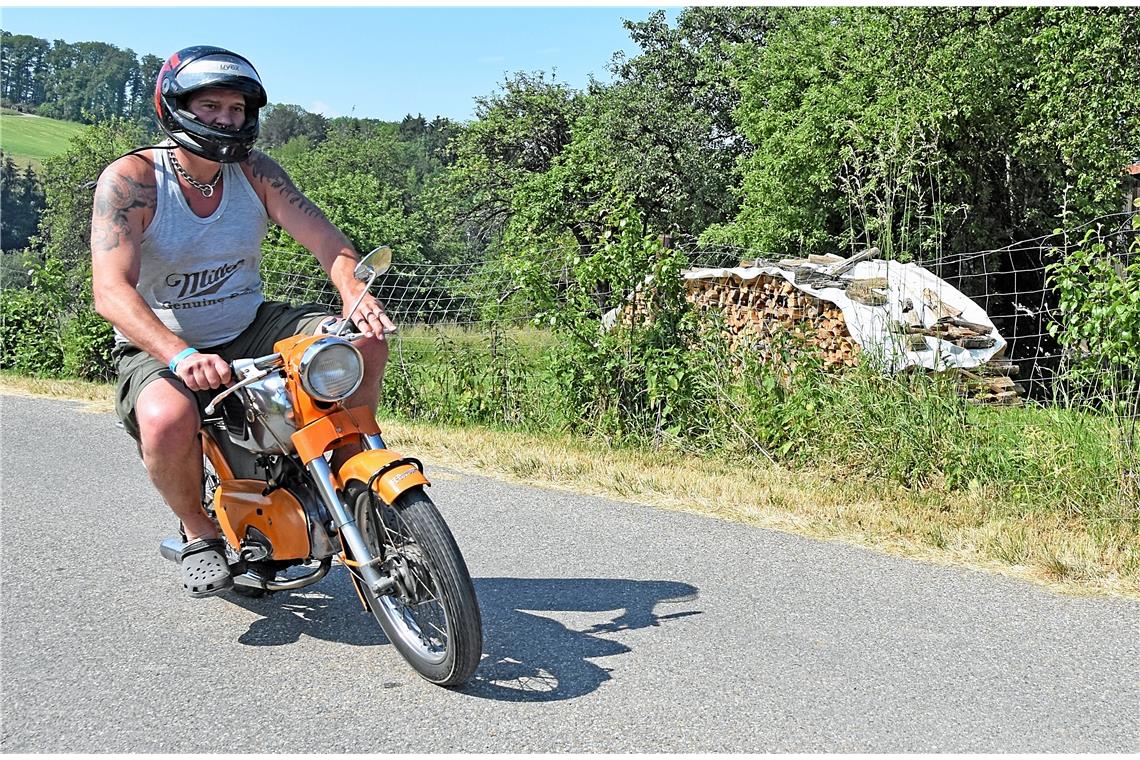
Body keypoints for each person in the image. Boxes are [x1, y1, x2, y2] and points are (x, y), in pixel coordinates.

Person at [90, 45, 396, 597]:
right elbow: (110, 291)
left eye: (235, 109)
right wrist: (179, 355)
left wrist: (353, 292)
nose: (225, 120)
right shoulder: (134, 179)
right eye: (211, 106)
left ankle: (353, 461)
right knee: (164, 419)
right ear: (175, 105)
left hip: (250, 322)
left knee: (360, 342)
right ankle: (198, 531)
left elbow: (326, 241)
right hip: (165, 343)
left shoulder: (255, 173)